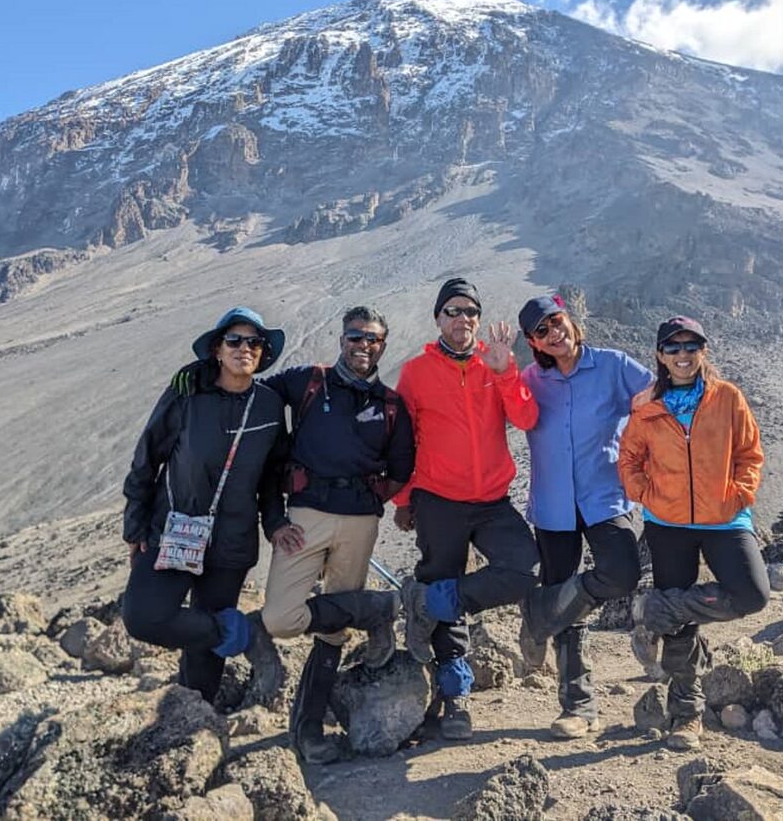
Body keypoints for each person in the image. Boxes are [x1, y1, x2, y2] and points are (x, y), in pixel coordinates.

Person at [173, 306, 415, 764]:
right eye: (356, 337)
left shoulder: (389, 405)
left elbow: (401, 467)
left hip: (360, 521)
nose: (364, 346)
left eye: (374, 340)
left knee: (334, 630)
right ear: (342, 339)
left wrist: (368, 497)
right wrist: (201, 377)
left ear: (384, 344)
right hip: (303, 518)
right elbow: (250, 388)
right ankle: (377, 609)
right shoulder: (307, 382)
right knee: (284, 617)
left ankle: (308, 730)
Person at [394, 277, 540, 740]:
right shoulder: (416, 372)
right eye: (453, 311)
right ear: (438, 318)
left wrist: (504, 372)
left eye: (470, 312)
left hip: (492, 499)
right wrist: (403, 499)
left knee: (523, 568)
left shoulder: (494, 364)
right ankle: (454, 697)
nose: (463, 320)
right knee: (444, 576)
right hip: (439, 499)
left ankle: (432, 601)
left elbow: (525, 419)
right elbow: (402, 441)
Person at [120, 307, 289, 704]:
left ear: (263, 353)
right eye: (234, 340)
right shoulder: (187, 393)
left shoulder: (268, 406)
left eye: (254, 342)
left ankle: (195, 720)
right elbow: (147, 457)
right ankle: (242, 634)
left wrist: (276, 522)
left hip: (231, 541)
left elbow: (271, 477)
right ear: (216, 349)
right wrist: (135, 525)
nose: (244, 348)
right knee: (144, 616)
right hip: (172, 530)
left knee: (203, 656)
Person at [618, 316, 769, 752]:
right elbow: (629, 457)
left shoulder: (727, 397)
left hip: (725, 520)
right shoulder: (647, 405)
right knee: (682, 627)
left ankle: (659, 607)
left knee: (752, 594)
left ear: (703, 351)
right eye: (673, 348)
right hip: (668, 524)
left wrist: (739, 493)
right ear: (661, 356)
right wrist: (645, 493)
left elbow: (750, 452)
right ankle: (686, 714)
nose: (683, 356)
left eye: (691, 347)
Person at [515, 294, 654, 740]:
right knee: (568, 609)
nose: (553, 333)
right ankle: (578, 705)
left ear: (570, 320)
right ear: (533, 342)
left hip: (606, 497)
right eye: (541, 331)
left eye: (556, 321)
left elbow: (659, 399)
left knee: (623, 573)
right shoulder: (530, 381)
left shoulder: (613, 365)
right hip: (553, 506)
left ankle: (543, 608)